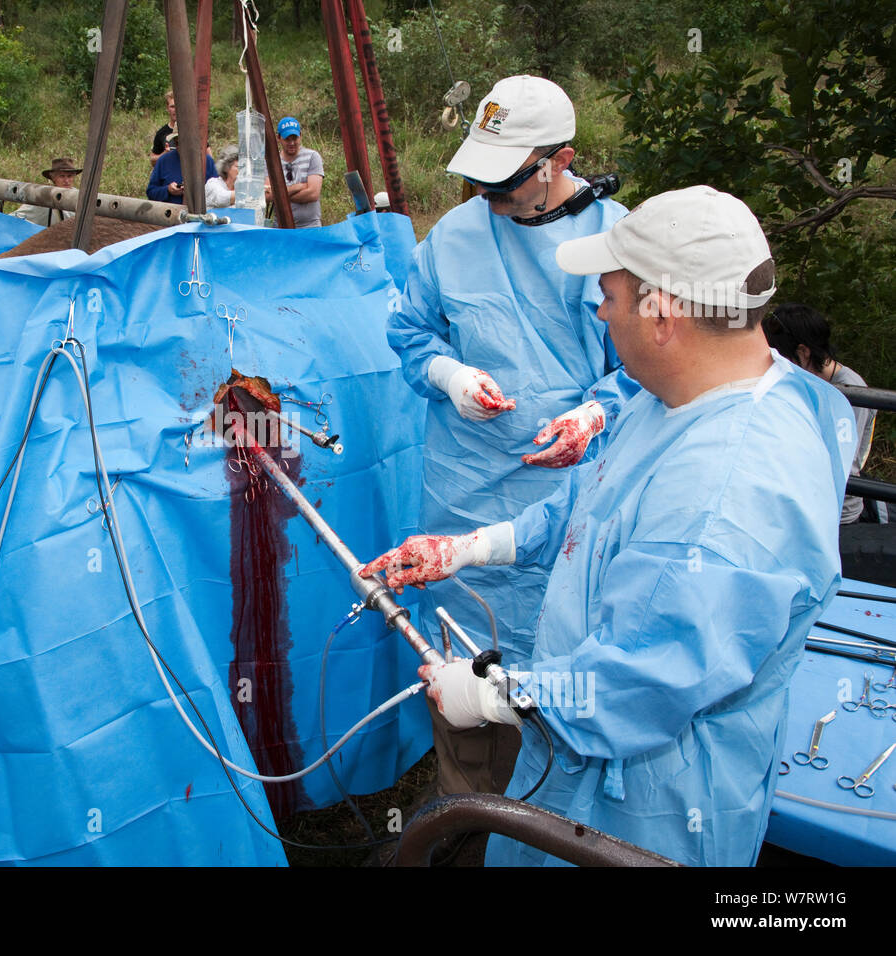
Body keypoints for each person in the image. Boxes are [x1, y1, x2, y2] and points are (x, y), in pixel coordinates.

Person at [365, 186, 854, 866]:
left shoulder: (728, 497)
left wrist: (490, 694)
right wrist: (476, 546)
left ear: (661, 314)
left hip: (644, 811)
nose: (598, 310)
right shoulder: (682, 398)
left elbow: (639, 683)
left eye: (609, 296)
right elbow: (589, 504)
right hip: (587, 769)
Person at [384, 75, 635, 798]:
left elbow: (651, 371)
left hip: (570, 497)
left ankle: (544, 817)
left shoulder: (615, 241)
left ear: (561, 160)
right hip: (463, 488)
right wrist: (450, 374)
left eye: (506, 181)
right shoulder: (456, 237)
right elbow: (409, 330)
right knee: (460, 667)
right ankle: (464, 811)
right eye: (479, 178)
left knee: (558, 673)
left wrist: (595, 414)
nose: (489, 197)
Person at [763, 303, 875, 523]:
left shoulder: (851, 392)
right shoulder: (804, 379)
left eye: (780, 357)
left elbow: (844, 462)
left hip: (836, 510)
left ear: (803, 352)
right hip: (803, 497)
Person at [265, 117, 323, 228]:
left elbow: (313, 194)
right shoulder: (271, 162)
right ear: (279, 138)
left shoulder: (312, 157)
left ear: (300, 135)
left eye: (295, 138)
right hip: (281, 228)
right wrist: (298, 187)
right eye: (287, 139)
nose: (292, 143)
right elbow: (267, 196)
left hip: (310, 226)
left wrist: (279, 194)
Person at [146, 130, 217, 205]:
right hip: (170, 213)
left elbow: (217, 192)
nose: (181, 147)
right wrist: (168, 190)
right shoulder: (164, 160)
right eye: (177, 143)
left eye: (185, 142)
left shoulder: (207, 161)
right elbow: (151, 192)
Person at [14, 157, 82, 227]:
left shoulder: (79, 195)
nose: (66, 180)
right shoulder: (45, 196)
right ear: (54, 178)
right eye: (62, 176)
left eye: (69, 176)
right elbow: (18, 215)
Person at [150, 89, 178, 166]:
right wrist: (165, 154)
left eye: (178, 106)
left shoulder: (192, 131)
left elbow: (208, 155)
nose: (175, 110)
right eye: (172, 106)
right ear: (167, 108)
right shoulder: (161, 133)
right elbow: (152, 161)